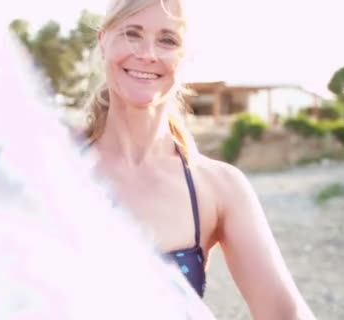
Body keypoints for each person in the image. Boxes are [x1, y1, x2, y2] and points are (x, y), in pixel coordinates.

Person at [81, 0, 316, 319]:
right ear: (103, 40)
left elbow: (283, 312)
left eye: (168, 40)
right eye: (131, 33)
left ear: (186, 57)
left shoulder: (219, 187)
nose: (148, 53)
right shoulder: (50, 166)